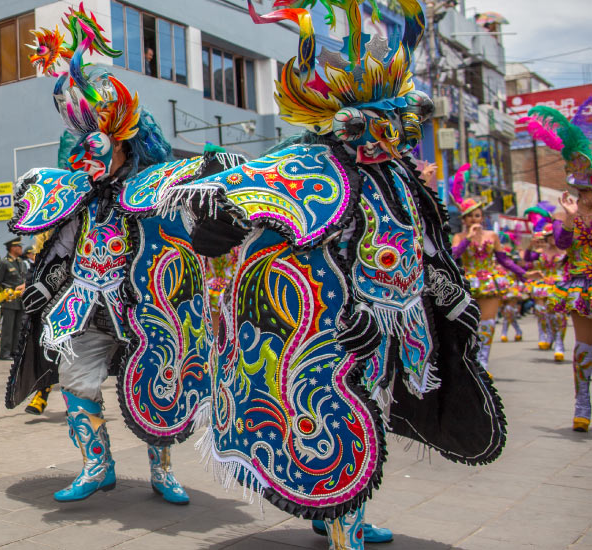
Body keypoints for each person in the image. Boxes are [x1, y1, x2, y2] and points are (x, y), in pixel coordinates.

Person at [157, 2, 507, 546]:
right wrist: (219, 204)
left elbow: (422, 242)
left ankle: (345, 516)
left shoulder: (399, 176)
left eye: (394, 127)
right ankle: (346, 528)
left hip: (391, 321)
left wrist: (443, 297)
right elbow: (253, 194)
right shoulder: (310, 165)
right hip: (328, 324)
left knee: (373, 411)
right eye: (365, 129)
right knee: (342, 416)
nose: (380, 142)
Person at [7, 9, 215, 505]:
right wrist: (46, 281)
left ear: (121, 144)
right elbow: (60, 246)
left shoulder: (154, 189)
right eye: (79, 153)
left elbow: (184, 244)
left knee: (158, 385)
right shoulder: (77, 194)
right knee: (76, 384)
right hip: (85, 307)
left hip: (145, 309)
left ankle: (162, 471)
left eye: (94, 151)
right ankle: (96, 465)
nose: (85, 161)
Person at [519, 101, 592, 431]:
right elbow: (562, 243)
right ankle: (582, 403)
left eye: (584, 189)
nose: (581, 193)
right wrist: (570, 214)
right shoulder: (572, 214)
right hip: (581, 285)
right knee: (585, 347)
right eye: (579, 189)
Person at [452, 198, 526, 370]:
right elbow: (453, 256)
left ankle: (482, 363)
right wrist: (468, 239)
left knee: (488, 324)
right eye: (468, 216)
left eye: (476, 215)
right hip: (468, 283)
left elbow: (504, 260)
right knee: (470, 324)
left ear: (482, 218)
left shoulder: (492, 236)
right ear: (463, 220)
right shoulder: (459, 237)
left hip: (488, 284)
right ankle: (471, 357)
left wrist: (523, 273)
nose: (473, 219)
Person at [523, 203, 568, 362]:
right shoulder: (541, 253)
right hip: (544, 286)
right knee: (543, 312)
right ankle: (548, 335)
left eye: (555, 236)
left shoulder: (566, 252)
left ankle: (559, 344)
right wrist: (530, 246)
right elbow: (527, 259)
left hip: (561, 286)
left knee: (560, 316)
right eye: (550, 237)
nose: (553, 240)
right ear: (546, 238)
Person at [0, 238, 27, 361]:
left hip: (20, 300)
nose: (21, 248)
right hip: (9, 299)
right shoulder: (4, 263)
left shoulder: (21, 262)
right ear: (13, 248)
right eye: (19, 246)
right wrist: (1, 296)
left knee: (18, 326)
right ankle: (5, 352)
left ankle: (15, 351)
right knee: (8, 327)